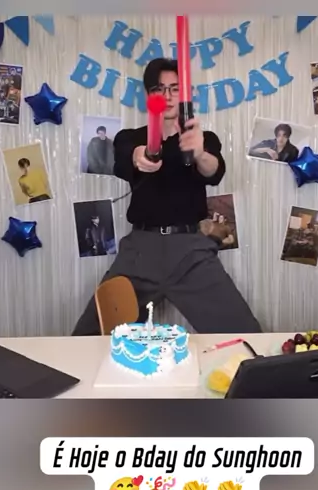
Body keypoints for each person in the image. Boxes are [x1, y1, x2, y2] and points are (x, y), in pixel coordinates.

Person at [73, 57, 261, 336]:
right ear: (149, 96)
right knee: (90, 336)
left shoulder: (202, 138)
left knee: (244, 335)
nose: (168, 96)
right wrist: (140, 155)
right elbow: (126, 158)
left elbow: (214, 171)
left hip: (191, 252)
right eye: (159, 89)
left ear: (185, 95)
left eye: (175, 89)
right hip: (139, 252)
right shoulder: (129, 137)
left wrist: (199, 153)